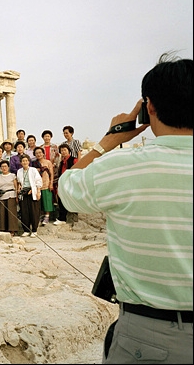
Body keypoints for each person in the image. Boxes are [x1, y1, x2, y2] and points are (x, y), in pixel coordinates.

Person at [58, 53, 193, 364]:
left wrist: (109, 140)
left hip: (150, 337)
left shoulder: (122, 167)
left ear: (149, 108)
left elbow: (68, 189)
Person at [16, 155, 43, 237]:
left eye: (26, 161)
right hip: (24, 192)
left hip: (33, 191)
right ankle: (26, 230)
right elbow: (19, 182)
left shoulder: (33, 170)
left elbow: (38, 181)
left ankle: (34, 230)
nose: (24, 162)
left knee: (34, 211)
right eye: (23, 161)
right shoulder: (19, 171)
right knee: (24, 212)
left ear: (29, 162)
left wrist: (37, 192)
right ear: (21, 162)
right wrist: (19, 188)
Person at [54, 144, 77, 225]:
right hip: (63, 183)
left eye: (65, 150)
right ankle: (62, 218)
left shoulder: (73, 160)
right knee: (61, 199)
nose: (63, 152)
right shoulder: (62, 162)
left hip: (70, 182)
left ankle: (66, 217)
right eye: (62, 151)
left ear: (69, 151)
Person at [0, 160, 19, 235]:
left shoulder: (12, 176)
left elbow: (16, 186)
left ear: (8, 167)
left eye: (5, 166)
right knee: (2, 213)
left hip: (11, 194)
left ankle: (12, 230)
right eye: (2, 167)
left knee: (11, 213)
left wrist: (17, 196)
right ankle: (3, 229)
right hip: (1, 195)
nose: (4, 168)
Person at [33, 146, 54, 226]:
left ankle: (47, 215)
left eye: (40, 153)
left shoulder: (48, 162)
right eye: (36, 153)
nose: (38, 154)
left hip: (46, 183)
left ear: (43, 153)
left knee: (47, 200)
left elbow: (51, 173)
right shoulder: (33, 163)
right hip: (37, 185)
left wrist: (51, 183)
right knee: (39, 201)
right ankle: (41, 215)